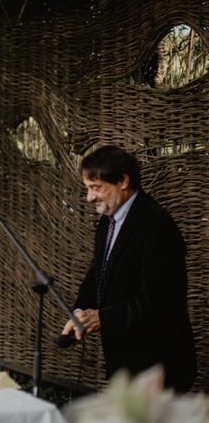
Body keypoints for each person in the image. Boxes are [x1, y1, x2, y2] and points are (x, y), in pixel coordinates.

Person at [60, 145, 196, 392]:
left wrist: (101, 317)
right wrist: (78, 312)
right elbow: (97, 276)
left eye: (96, 188)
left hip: (157, 366)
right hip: (124, 363)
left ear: (123, 180)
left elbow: (157, 302)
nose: (89, 198)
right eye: (88, 188)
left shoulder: (156, 226)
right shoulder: (107, 222)